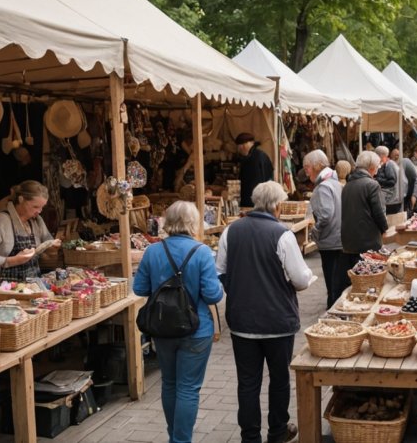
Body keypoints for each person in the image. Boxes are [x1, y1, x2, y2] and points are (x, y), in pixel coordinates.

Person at [217, 181, 312, 443]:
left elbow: (220, 272)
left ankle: (250, 436)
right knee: (279, 379)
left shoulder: (230, 231)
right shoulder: (282, 234)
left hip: (242, 320)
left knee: (247, 382)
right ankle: (278, 431)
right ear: (277, 206)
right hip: (277, 321)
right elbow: (300, 280)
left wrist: (238, 290)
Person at [133, 201, 223, 443]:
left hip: (162, 328)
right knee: (188, 388)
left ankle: (175, 437)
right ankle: (180, 440)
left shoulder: (153, 251)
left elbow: (139, 288)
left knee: (170, 383)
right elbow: (213, 295)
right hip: (197, 329)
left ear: (168, 221)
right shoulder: (201, 251)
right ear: (193, 222)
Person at [0, 180, 61, 285]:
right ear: (21, 199)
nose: (40, 211)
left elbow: (48, 240)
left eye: (42, 207)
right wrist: (11, 261)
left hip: (30, 287)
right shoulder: (0, 221)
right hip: (1, 289)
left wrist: (52, 245)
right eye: (35, 207)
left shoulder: (36, 220)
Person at [333, 151, 389, 297]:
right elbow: (379, 213)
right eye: (377, 166)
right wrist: (385, 229)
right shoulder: (371, 185)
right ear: (371, 167)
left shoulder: (348, 185)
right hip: (367, 241)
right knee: (368, 281)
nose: (377, 170)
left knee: (355, 281)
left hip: (349, 241)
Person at [303, 150, 343, 309]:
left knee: (332, 285)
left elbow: (326, 215)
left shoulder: (324, 187)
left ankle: (332, 316)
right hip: (338, 239)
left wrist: (315, 232)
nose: (305, 171)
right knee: (335, 283)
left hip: (330, 241)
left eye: (307, 167)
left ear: (317, 166)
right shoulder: (334, 183)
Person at [236, 133, 273, 208]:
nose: (239, 150)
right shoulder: (260, 155)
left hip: (253, 200)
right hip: (260, 198)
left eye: (240, 147)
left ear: (244, 145)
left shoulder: (255, 158)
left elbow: (254, 181)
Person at [392, 148, 417, 217]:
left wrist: (414, 196)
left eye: (398, 155)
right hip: (396, 202)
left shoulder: (405, 162)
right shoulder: (389, 165)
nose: (396, 157)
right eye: (394, 155)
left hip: (407, 199)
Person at [374, 145, 402, 214]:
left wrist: (378, 181)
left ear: (381, 156)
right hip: (393, 200)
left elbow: (392, 181)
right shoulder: (389, 164)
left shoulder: (389, 165)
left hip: (392, 201)